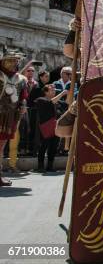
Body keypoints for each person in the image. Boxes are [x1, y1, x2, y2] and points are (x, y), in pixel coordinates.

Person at [0, 49, 27, 186]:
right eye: (10, 60)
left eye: (15, 60)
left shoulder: (21, 79)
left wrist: (23, 106)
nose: (13, 63)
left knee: (2, 145)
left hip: (9, 116)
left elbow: (23, 97)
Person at [34, 84, 66, 172]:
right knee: (43, 147)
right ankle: (40, 166)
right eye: (51, 89)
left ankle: (50, 166)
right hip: (45, 128)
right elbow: (50, 103)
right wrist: (62, 93)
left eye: (54, 89)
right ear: (45, 92)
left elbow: (67, 105)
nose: (54, 91)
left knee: (53, 147)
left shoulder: (58, 102)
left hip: (55, 127)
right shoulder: (40, 100)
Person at [27, 71, 50, 156]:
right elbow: (31, 101)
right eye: (46, 76)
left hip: (42, 114)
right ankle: (32, 150)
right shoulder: (37, 87)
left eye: (48, 76)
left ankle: (40, 150)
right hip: (35, 113)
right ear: (41, 77)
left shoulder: (46, 87)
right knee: (34, 131)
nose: (48, 78)